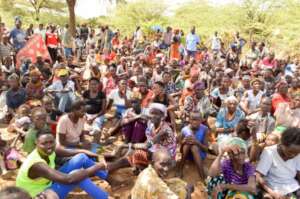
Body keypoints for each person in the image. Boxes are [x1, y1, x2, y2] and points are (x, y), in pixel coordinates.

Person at [16, 129, 110, 199]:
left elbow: (69, 152)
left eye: (51, 142)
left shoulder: (49, 150)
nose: (49, 146)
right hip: (37, 194)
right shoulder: (37, 164)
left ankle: (107, 176)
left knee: (81, 157)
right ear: (36, 143)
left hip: (49, 182)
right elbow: (68, 179)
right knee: (77, 176)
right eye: (44, 143)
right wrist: (96, 167)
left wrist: (86, 152)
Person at [256, 127, 300, 198]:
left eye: (296, 153)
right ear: (282, 144)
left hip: (292, 187)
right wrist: (272, 193)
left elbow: (299, 174)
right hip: (272, 187)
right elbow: (259, 177)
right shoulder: (269, 152)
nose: (293, 155)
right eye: (290, 152)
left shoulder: (298, 153)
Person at [178, 112, 209, 180]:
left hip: (200, 155)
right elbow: (180, 149)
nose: (195, 122)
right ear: (189, 120)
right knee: (188, 144)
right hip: (187, 156)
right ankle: (180, 169)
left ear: (201, 120)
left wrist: (197, 142)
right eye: (193, 119)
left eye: (197, 120)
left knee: (194, 147)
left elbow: (206, 149)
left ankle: (202, 177)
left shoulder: (204, 129)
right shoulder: (184, 130)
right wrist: (183, 142)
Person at [82, 78, 106, 144]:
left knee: (96, 130)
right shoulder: (86, 93)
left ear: (98, 85)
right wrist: (85, 116)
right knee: (84, 129)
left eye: (95, 84)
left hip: (98, 115)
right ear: (89, 85)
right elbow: (82, 107)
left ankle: (95, 145)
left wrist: (94, 118)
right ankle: (85, 143)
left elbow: (103, 110)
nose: (93, 86)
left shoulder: (102, 94)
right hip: (86, 115)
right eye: (92, 84)